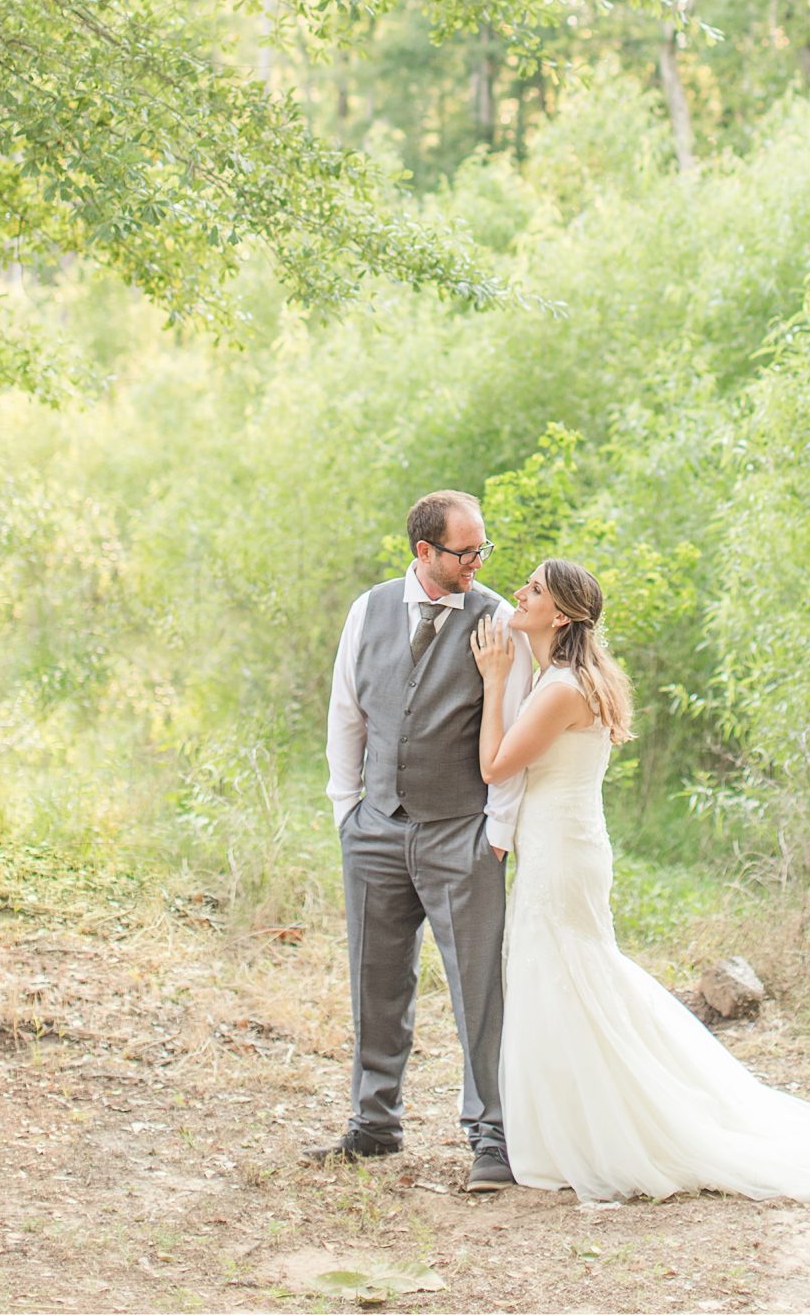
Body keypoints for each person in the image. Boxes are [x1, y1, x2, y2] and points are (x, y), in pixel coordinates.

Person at [470, 560, 810, 1204]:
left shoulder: (562, 688)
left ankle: (608, 1131)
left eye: (535, 590)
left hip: (561, 856)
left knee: (566, 976)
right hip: (564, 844)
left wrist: (493, 680)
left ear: (563, 614)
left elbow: (494, 766)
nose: (520, 593)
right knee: (567, 976)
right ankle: (569, 1128)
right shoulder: (567, 678)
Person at [310, 490, 533, 1192]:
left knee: (479, 991)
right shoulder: (368, 610)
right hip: (374, 829)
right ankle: (374, 1124)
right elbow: (347, 712)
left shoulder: (497, 618)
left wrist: (497, 831)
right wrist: (348, 810)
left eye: (481, 550)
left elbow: (514, 729)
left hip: (460, 833)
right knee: (376, 981)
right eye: (465, 551)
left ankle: (491, 1139)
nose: (477, 562)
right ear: (424, 553)